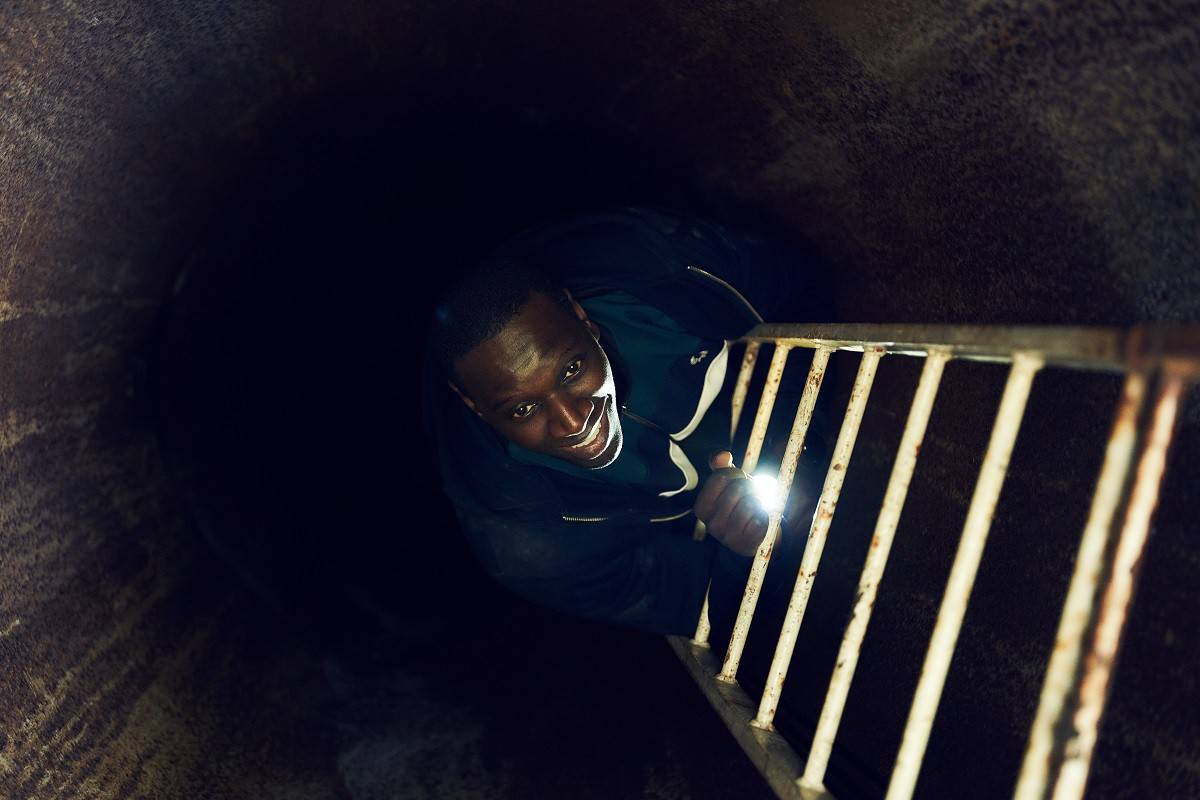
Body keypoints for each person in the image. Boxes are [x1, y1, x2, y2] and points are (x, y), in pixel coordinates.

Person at [422, 207, 834, 636]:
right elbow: (705, 613)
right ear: (474, 406)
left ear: (581, 318)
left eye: (571, 370)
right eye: (522, 410)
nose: (572, 422)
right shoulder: (522, 539)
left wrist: (797, 442)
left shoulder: (661, 268)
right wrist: (744, 551)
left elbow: (801, 287)